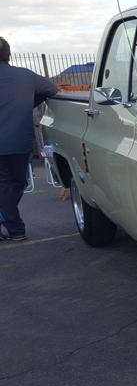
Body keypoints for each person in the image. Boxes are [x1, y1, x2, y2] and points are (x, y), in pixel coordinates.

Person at [0, 36, 59, 242]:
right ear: (9, 55)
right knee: (17, 182)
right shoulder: (26, 76)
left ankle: (13, 226)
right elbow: (53, 90)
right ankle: (15, 227)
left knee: (6, 185)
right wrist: (27, 103)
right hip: (18, 141)